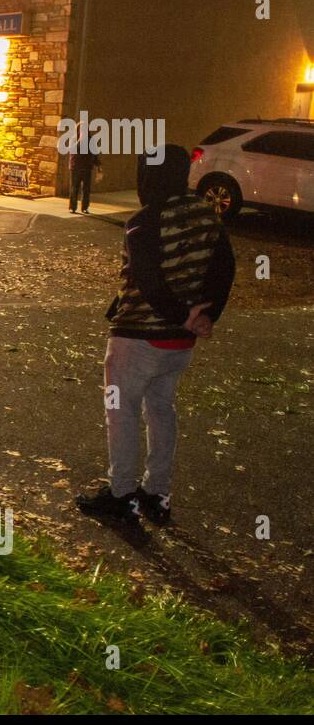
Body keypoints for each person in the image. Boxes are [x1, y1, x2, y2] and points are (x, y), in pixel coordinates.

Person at [76, 144, 236, 525]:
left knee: (122, 410)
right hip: (179, 345)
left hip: (138, 337)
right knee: (161, 409)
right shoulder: (207, 216)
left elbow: (147, 279)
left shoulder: (144, 222)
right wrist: (205, 315)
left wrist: (181, 315)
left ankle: (122, 493)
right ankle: (157, 492)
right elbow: (225, 268)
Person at [68, 120, 98, 214]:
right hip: (75, 167)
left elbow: (94, 153)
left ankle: (85, 207)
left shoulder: (91, 140)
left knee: (86, 189)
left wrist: (98, 165)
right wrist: (80, 140)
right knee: (74, 188)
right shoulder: (73, 139)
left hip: (87, 167)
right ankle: (72, 207)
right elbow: (73, 151)